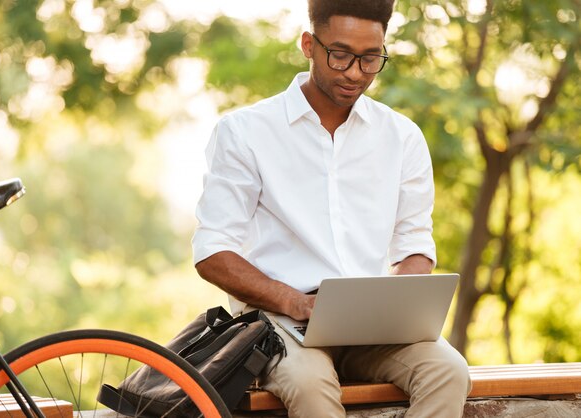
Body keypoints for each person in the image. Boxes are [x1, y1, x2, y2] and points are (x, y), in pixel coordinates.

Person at [192, 0, 472, 416]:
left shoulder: (402, 137)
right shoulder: (245, 132)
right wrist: (297, 303)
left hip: (373, 323)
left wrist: (393, 306)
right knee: (310, 385)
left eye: (371, 58)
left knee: (449, 371)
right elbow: (212, 252)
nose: (356, 72)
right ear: (308, 44)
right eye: (340, 55)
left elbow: (415, 244)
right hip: (280, 323)